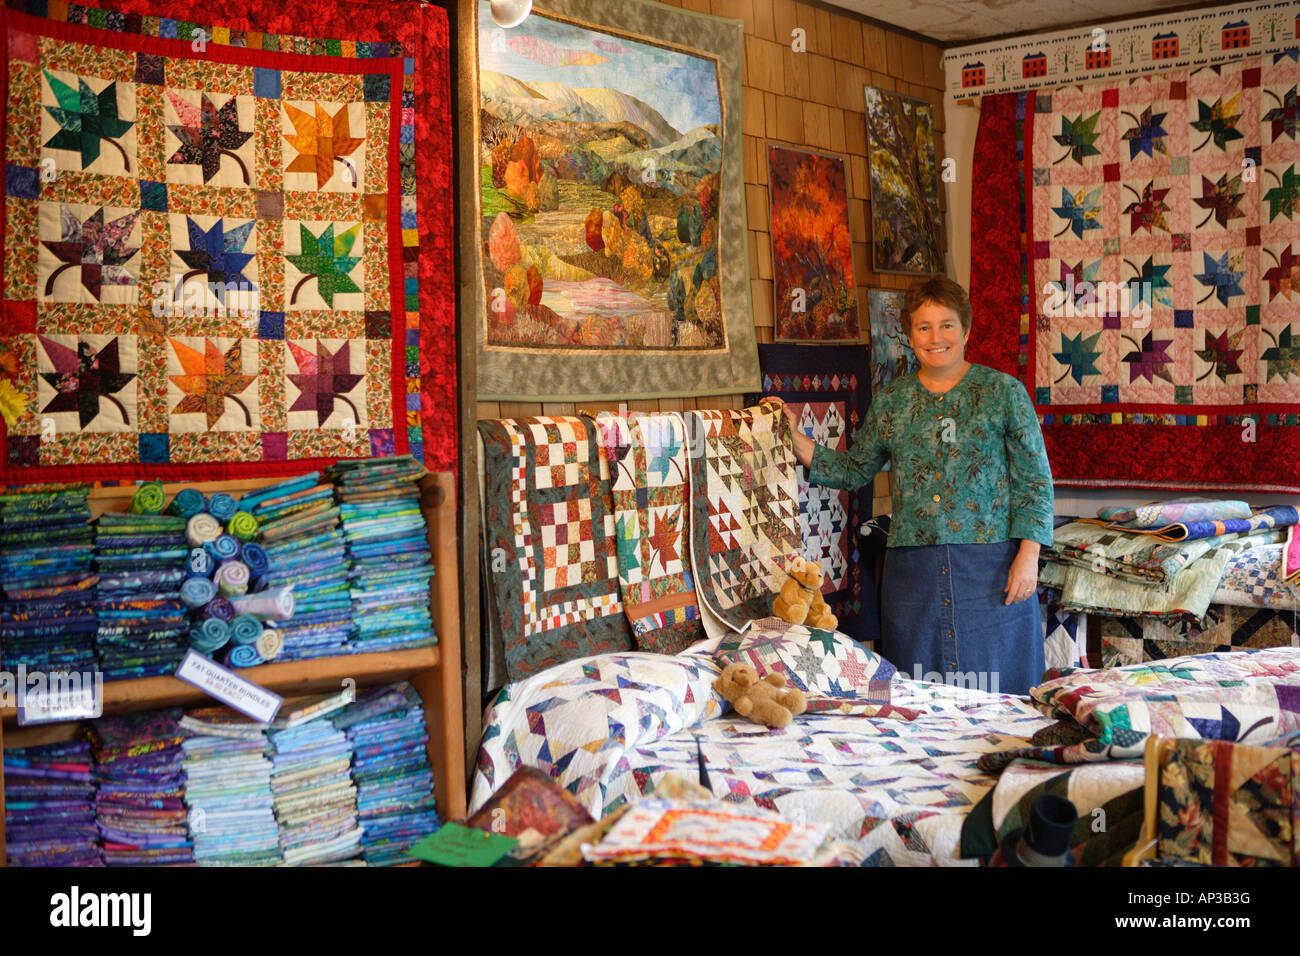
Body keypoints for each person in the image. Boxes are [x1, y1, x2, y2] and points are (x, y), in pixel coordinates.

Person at [770, 276, 1054, 696]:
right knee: (918, 697)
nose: (935, 337)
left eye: (947, 325)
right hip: (913, 576)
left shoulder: (1003, 393)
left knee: (1002, 693)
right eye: (923, 327)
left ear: (966, 330)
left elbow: (1035, 480)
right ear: (909, 334)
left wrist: (1028, 556)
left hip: (990, 572)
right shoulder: (892, 401)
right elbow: (852, 470)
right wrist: (790, 436)